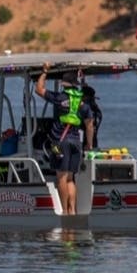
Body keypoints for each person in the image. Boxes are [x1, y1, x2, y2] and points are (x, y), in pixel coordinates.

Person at [34, 63, 94, 215]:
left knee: (61, 177)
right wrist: (89, 144)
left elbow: (39, 89)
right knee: (70, 179)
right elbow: (89, 125)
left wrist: (44, 71)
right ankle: (73, 211)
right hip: (76, 142)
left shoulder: (59, 98)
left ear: (64, 85)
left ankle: (65, 212)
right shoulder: (83, 103)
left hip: (60, 142)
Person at [82, 84, 102, 148]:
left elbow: (89, 127)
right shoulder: (97, 110)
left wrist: (89, 144)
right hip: (93, 141)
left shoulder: (87, 109)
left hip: (86, 142)